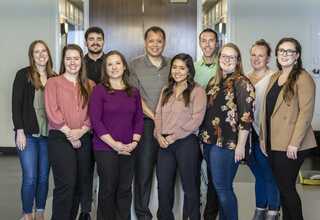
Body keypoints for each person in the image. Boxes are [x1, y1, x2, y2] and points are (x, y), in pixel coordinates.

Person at [260, 37, 317, 220]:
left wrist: (294, 143)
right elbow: (265, 111)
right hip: (274, 142)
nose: (285, 54)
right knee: (284, 189)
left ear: (297, 55)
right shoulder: (275, 77)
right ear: (276, 54)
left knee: (286, 189)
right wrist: (263, 139)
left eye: (289, 51)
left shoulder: (303, 78)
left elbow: (305, 114)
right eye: (281, 51)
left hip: (292, 144)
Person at [200, 43, 255, 220]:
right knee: (218, 187)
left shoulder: (242, 83)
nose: (227, 60)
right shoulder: (214, 82)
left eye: (231, 57)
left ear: (238, 61)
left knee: (223, 189)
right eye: (224, 56)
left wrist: (240, 146)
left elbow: (246, 118)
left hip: (228, 144)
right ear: (219, 58)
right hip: (209, 142)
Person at [89, 50, 144, 220]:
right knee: (108, 189)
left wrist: (134, 143)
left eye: (117, 63)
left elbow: (139, 120)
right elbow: (96, 121)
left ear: (124, 66)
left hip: (128, 147)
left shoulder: (133, 92)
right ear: (105, 69)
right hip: (105, 148)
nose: (114, 67)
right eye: (110, 64)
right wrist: (114, 144)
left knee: (125, 189)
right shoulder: (99, 90)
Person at [45, 44, 95, 220]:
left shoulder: (90, 85)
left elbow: (93, 113)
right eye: (68, 58)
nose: (72, 62)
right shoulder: (53, 82)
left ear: (82, 61)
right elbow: (52, 111)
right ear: (63, 61)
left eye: (76, 58)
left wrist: (80, 132)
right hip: (59, 137)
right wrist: (70, 133)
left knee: (80, 184)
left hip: (84, 137)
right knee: (66, 183)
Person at [154, 53, 206, 220]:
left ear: (189, 71)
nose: (177, 71)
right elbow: (158, 115)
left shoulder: (198, 91)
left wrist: (173, 137)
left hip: (186, 143)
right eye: (174, 67)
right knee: (163, 186)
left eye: (182, 68)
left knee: (189, 186)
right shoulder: (166, 90)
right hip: (164, 144)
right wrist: (158, 135)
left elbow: (196, 119)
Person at [129, 26, 170, 220]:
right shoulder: (135, 65)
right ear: (145, 43)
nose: (155, 44)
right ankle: (143, 215)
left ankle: (165, 214)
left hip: (170, 127)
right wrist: (155, 118)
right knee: (143, 173)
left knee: (166, 175)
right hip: (146, 124)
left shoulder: (172, 64)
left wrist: (164, 122)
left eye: (159, 40)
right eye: (151, 40)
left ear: (164, 42)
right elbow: (136, 98)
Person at [12, 40, 55, 220]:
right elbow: (16, 104)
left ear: (48, 53)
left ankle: (40, 212)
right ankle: (27, 213)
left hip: (49, 135)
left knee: (44, 177)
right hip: (28, 134)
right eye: (36, 52)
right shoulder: (24, 74)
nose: (40, 55)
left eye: (43, 51)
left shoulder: (55, 77)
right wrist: (19, 131)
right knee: (30, 177)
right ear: (32, 55)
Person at [246, 39, 280, 220]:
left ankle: (273, 211)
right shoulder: (245, 77)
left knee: (268, 173)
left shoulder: (275, 78)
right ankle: (260, 209)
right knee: (258, 173)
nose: (256, 58)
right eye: (253, 54)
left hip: (266, 135)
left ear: (268, 58)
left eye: (261, 55)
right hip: (248, 135)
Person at [194, 28, 220, 220]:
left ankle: (211, 214)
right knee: (195, 172)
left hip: (217, 130)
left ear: (217, 43)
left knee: (215, 175)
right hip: (196, 128)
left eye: (211, 40)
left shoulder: (224, 65)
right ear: (200, 43)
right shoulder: (194, 68)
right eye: (204, 41)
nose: (208, 44)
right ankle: (196, 211)